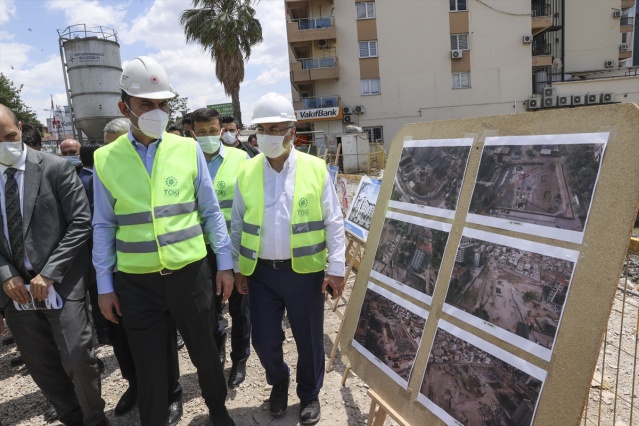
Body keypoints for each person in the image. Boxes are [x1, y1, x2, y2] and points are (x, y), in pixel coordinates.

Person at [93, 56, 235, 426]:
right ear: (126, 108)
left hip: (190, 276)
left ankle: (218, 412)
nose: (157, 111)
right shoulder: (106, 159)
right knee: (151, 367)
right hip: (136, 285)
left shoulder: (187, 149)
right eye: (146, 104)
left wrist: (223, 265)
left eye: (163, 103)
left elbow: (210, 212)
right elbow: (104, 226)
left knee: (206, 353)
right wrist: (105, 287)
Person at [231, 93, 346, 425]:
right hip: (262, 273)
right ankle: (278, 380)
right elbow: (237, 221)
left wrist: (336, 268)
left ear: (292, 132)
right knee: (264, 339)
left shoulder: (315, 168)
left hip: (304, 273)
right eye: (263, 129)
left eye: (276, 128)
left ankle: (308, 394)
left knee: (309, 338)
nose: (268, 135)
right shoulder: (247, 170)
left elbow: (333, 220)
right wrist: (239, 265)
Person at [0, 103, 109, 425]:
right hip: (17, 290)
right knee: (41, 365)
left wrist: (48, 273)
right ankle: (71, 417)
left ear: (20, 127)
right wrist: (7, 275)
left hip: (60, 282)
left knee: (77, 357)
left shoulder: (55, 168)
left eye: (9, 135)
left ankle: (94, 418)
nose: (5, 145)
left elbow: (80, 223)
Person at [99, 119, 185, 422]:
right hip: (114, 274)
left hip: (152, 276)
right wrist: (103, 283)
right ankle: (136, 386)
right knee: (120, 339)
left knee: (161, 341)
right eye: (109, 145)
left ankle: (171, 392)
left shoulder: (156, 174)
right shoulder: (100, 173)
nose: (117, 151)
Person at [191, 107, 251, 389]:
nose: (209, 137)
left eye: (213, 131)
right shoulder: (185, 161)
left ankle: (240, 359)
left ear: (222, 130)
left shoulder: (242, 159)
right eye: (201, 132)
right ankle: (216, 350)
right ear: (193, 133)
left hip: (235, 247)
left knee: (240, 307)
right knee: (207, 309)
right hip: (201, 251)